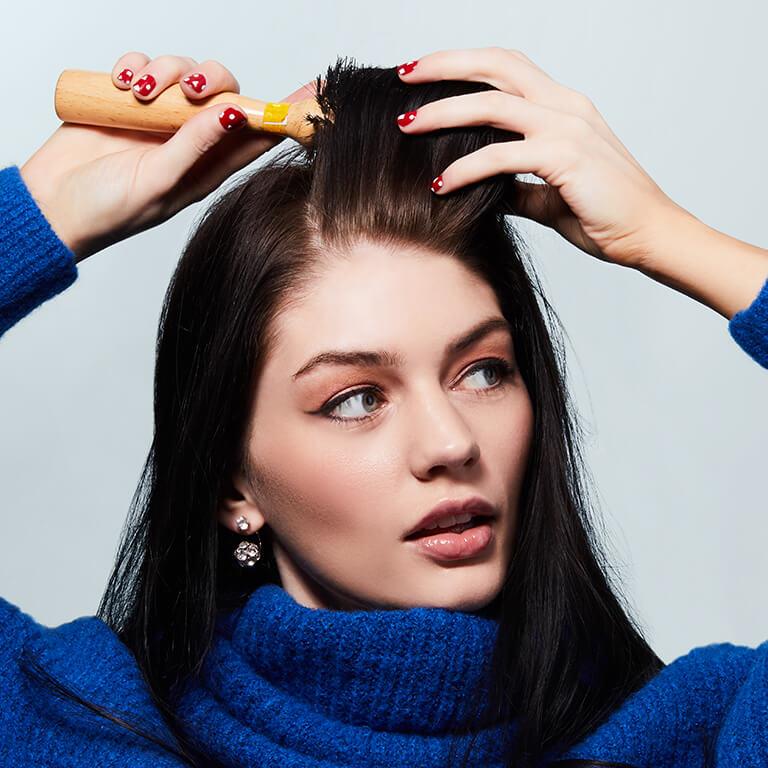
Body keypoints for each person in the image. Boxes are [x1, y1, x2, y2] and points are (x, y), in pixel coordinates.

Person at [0, 47, 765, 768]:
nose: (450, 443)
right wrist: (44, 212)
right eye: (356, 398)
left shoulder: (699, 736)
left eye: (483, 372)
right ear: (233, 485)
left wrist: (665, 236)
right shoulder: (74, 726)